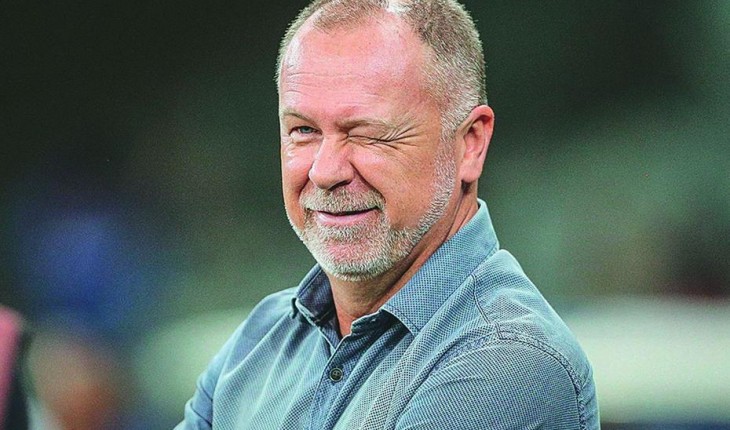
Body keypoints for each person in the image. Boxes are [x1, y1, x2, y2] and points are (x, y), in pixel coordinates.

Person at [177, 0, 599, 428]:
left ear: (470, 143)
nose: (325, 172)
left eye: (369, 134)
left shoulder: (508, 360)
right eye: (303, 131)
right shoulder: (259, 339)